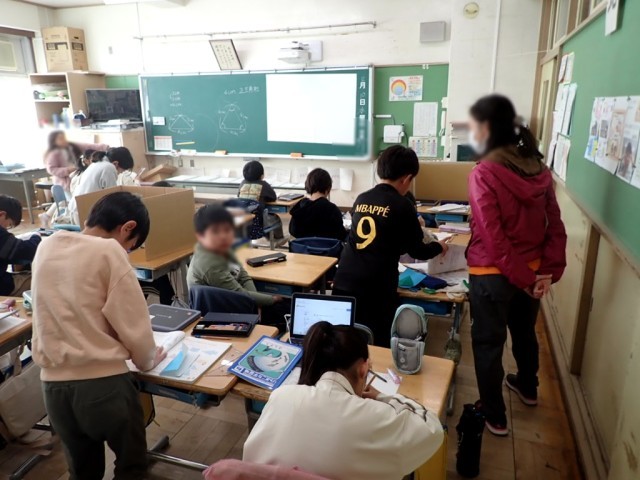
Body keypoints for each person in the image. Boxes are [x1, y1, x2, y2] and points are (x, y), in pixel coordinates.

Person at [31, 191, 166, 480]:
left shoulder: (46, 246)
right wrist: (147, 360)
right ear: (127, 227)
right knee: (131, 468)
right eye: (131, 246)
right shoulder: (109, 251)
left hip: (53, 389)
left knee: (82, 472)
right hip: (103, 387)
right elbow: (133, 322)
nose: (127, 251)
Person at [466, 94, 567, 436]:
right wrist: (545, 273)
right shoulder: (540, 170)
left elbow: (493, 237)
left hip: (491, 275)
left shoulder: (483, 172)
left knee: (488, 343)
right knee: (524, 332)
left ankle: (495, 415)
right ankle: (527, 387)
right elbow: (555, 225)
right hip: (532, 271)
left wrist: (524, 277)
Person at [243, 321, 444, 480]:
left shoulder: (281, 396)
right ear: (363, 369)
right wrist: (382, 396)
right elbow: (432, 428)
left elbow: (250, 457)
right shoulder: (375, 417)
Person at [332, 146, 448, 347]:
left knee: (345, 339)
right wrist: (439, 246)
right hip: (376, 287)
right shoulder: (403, 205)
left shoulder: (362, 198)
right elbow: (418, 251)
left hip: (344, 279)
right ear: (407, 178)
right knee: (377, 343)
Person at [187, 205, 289, 331]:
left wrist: (257, 302)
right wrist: (269, 300)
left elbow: (242, 275)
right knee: (285, 308)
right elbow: (239, 293)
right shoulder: (210, 264)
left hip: (237, 302)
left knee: (284, 306)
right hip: (227, 314)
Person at [40, 131, 108, 227]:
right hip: (64, 182)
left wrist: (106, 147)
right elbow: (51, 169)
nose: (63, 140)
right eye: (60, 139)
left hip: (74, 177)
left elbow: (89, 146)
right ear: (54, 141)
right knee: (72, 201)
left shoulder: (72, 146)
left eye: (63, 137)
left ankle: (47, 216)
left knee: (67, 201)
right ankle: (53, 217)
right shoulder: (53, 153)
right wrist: (68, 170)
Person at [67, 147, 136, 224]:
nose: (119, 174)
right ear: (115, 164)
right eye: (121, 171)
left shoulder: (97, 163)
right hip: (83, 212)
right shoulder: (109, 167)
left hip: (76, 208)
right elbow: (112, 197)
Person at [289, 168, 346, 240]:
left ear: (308, 185)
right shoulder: (332, 209)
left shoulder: (300, 207)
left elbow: (292, 231)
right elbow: (341, 235)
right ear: (328, 188)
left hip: (302, 247)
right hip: (326, 247)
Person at [0, 195, 41, 296]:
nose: (6, 229)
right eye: (9, 225)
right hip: (2, 287)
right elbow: (27, 252)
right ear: (2, 215)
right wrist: (36, 236)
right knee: (43, 279)